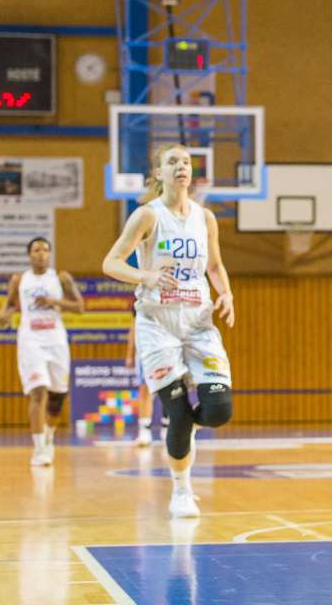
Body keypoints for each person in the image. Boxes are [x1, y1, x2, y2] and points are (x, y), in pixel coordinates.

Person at [102, 144, 236, 519]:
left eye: (186, 162)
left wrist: (226, 293)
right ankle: (181, 491)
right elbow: (111, 262)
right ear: (159, 173)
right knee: (176, 412)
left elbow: (214, 266)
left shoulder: (205, 218)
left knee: (219, 411)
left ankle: (185, 427)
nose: (181, 166)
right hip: (157, 322)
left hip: (198, 321)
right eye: (172, 162)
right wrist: (145, 275)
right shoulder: (147, 215)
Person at [0, 237, 84, 466]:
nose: (42, 253)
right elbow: (9, 304)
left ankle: (49, 436)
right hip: (31, 341)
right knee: (38, 391)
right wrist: (5, 315)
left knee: (57, 398)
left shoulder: (61, 278)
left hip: (56, 340)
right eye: (37, 250)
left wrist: (54, 301)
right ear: (29, 255)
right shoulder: (19, 280)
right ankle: (39, 449)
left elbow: (80, 307)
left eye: (46, 249)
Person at [123, 308, 155, 447]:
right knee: (144, 389)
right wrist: (129, 354)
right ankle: (144, 431)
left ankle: (168, 427)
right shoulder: (139, 302)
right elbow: (133, 327)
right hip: (145, 352)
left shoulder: (169, 300)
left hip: (167, 350)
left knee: (170, 388)